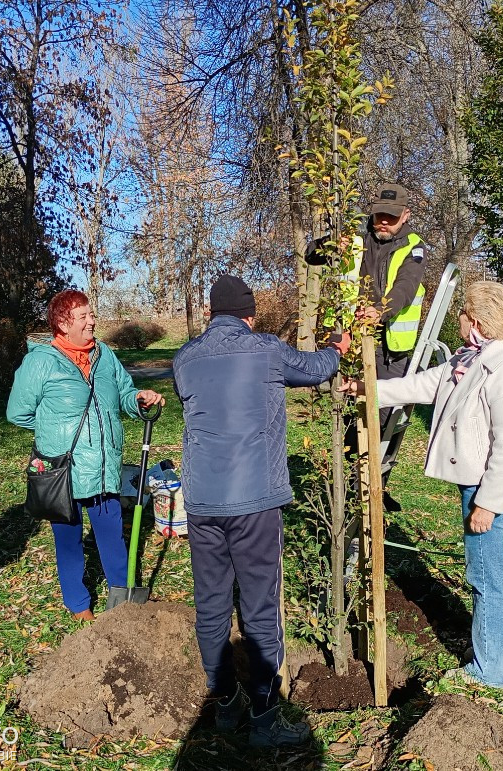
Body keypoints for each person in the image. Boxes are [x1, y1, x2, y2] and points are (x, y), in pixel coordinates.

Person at [173, 275, 350, 746]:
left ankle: (225, 703)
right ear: (249, 316)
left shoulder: (184, 359)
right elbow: (316, 369)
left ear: (212, 314)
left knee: (211, 604)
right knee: (259, 605)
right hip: (253, 502)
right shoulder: (267, 349)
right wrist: (337, 345)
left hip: (203, 504)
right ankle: (265, 719)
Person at [341, 282, 503, 688]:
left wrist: (487, 504)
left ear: (480, 323)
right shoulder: (470, 360)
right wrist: (368, 390)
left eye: (464, 313)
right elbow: (424, 385)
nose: (459, 319)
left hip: (490, 486)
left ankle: (489, 671)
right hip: (481, 483)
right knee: (501, 570)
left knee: (485, 575)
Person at [6, 290, 164, 621]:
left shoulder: (104, 355)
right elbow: (17, 413)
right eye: (84, 317)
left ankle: (123, 601)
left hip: (104, 465)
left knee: (112, 537)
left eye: (92, 315)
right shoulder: (39, 363)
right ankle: (78, 604)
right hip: (63, 470)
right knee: (69, 542)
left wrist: (138, 398)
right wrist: (53, 430)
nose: (93, 321)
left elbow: (123, 392)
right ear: (63, 324)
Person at [306, 182, 428, 509]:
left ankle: (376, 486)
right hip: (354, 345)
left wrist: (382, 310)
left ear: (406, 215)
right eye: (378, 217)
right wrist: (333, 243)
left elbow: (406, 286)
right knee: (352, 411)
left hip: (393, 347)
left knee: (385, 413)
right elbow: (311, 254)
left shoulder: (414, 247)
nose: (383, 223)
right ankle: (349, 486)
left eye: (390, 217)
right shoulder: (357, 241)